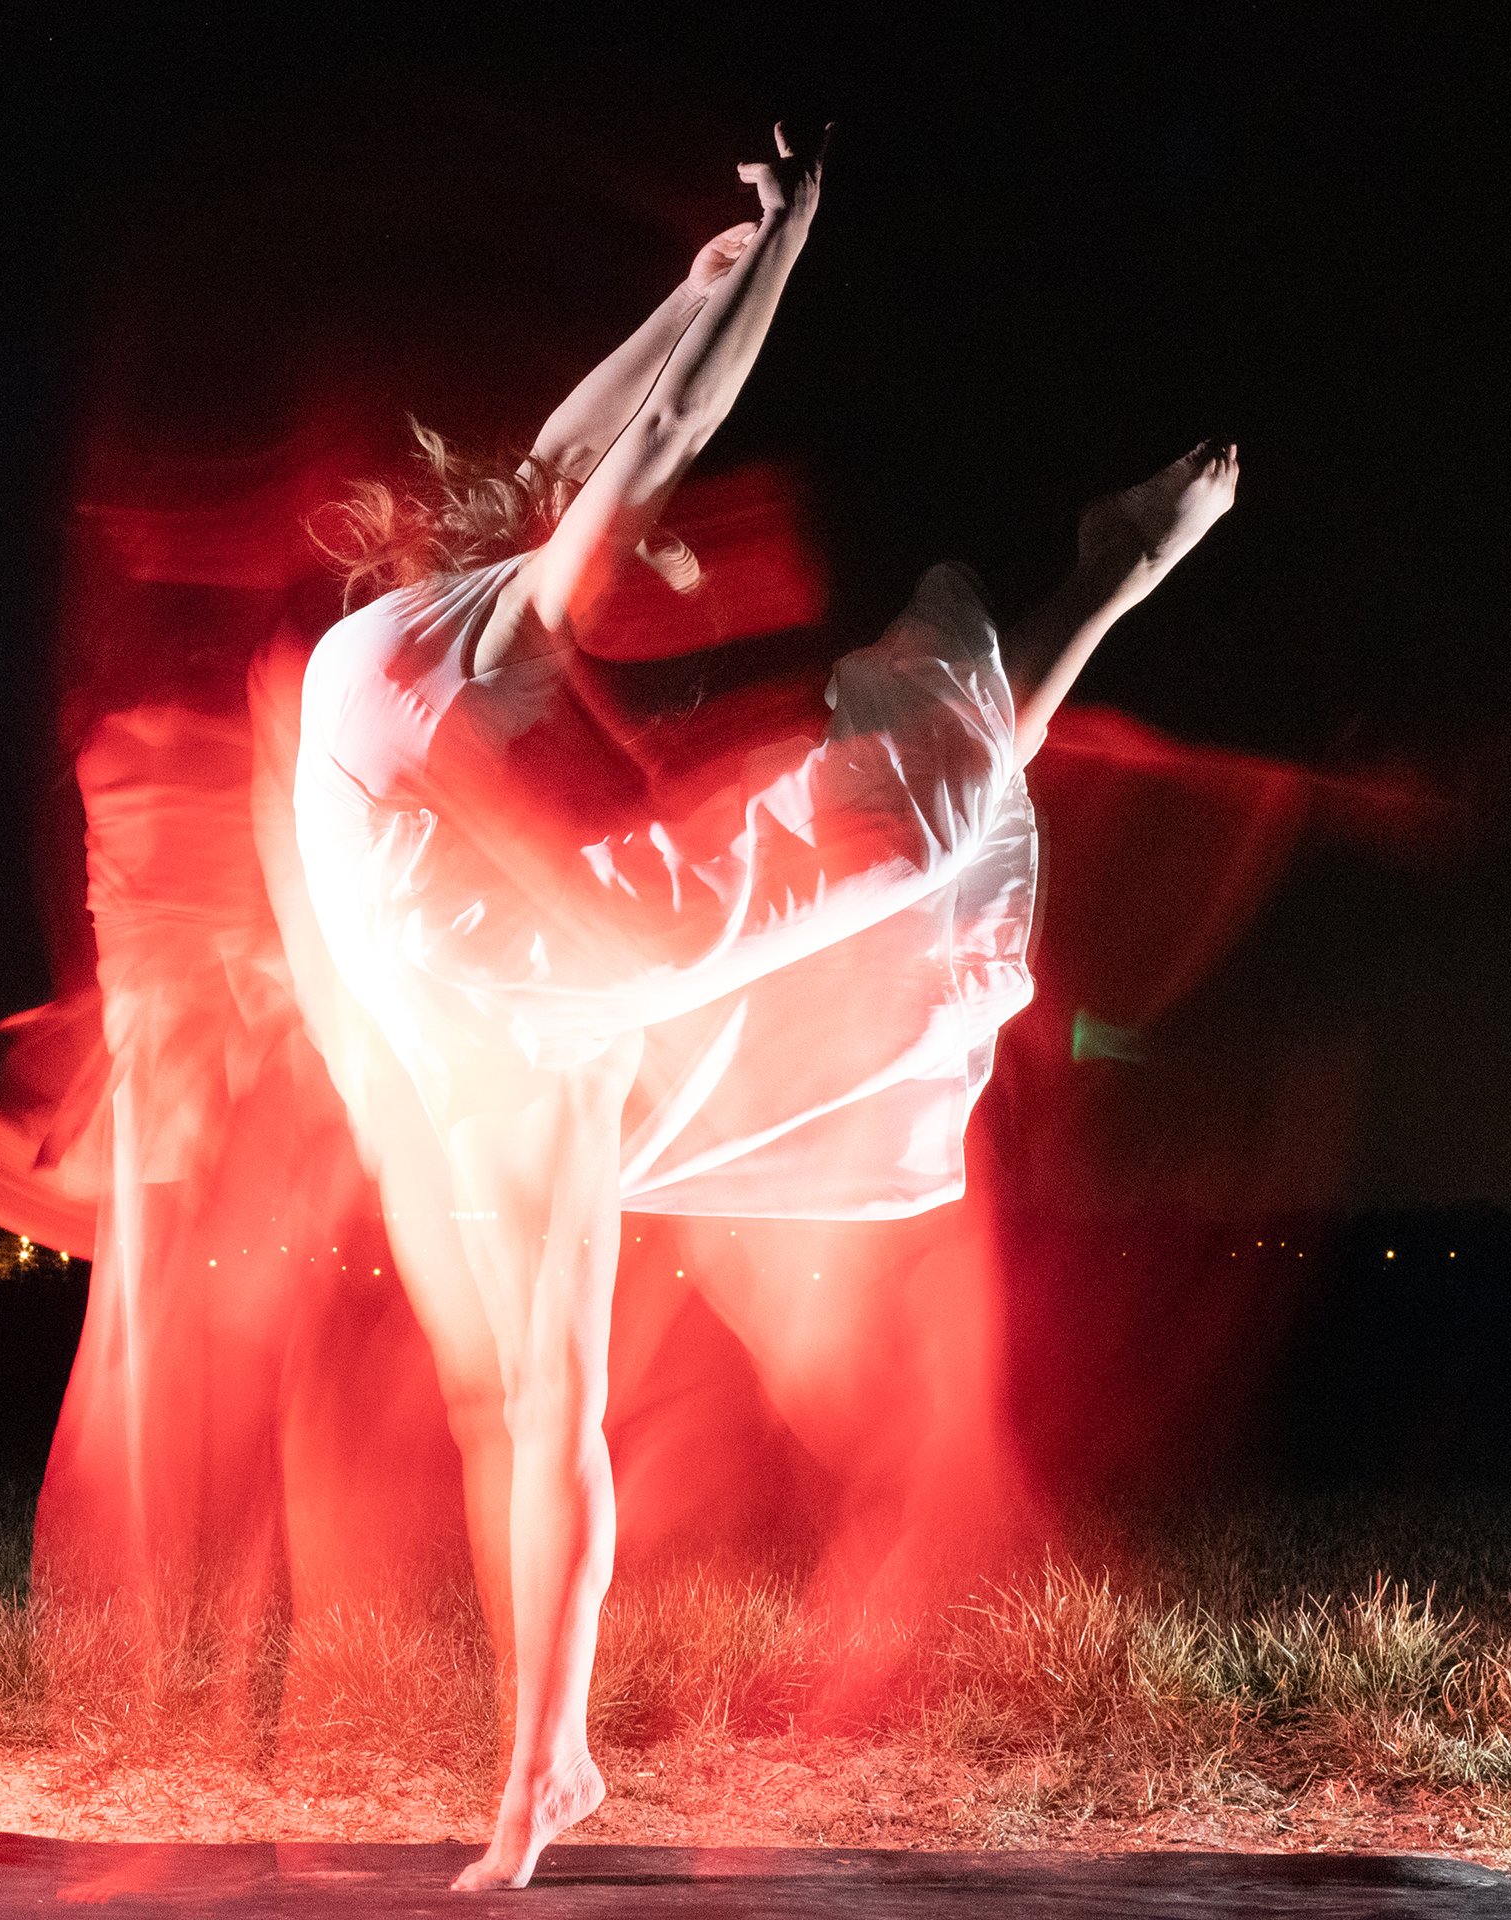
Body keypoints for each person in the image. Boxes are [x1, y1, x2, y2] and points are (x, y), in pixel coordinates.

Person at [290, 125, 1237, 1888]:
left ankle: (544, 1770)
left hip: (550, 999)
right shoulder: (471, 622)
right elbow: (617, 439)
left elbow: (626, 439)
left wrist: (749, 262)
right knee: (542, 1397)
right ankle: (548, 1764)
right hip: (529, 992)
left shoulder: (438, 637)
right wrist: (731, 267)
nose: (629, 575)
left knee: (547, 1401)